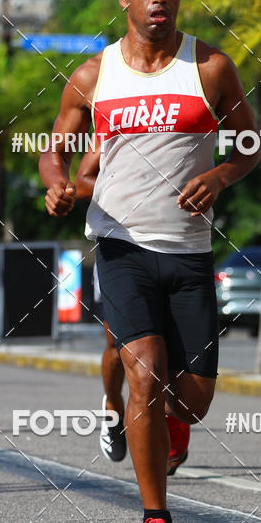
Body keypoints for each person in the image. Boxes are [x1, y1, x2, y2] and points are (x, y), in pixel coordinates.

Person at [40, 0, 261, 523]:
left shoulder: (210, 68)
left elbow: (249, 145)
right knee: (143, 370)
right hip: (120, 244)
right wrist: (56, 183)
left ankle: (173, 423)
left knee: (192, 400)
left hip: (188, 253)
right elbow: (56, 149)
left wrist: (220, 175)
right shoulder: (94, 76)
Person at [74, 141, 192, 471]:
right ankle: (113, 405)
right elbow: (81, 182)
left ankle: (167, 424)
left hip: (177, 246)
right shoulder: (116, 126)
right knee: (118, 347)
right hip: (121, 252)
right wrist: (132, 185)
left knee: (167, 347)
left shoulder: (182, 126)